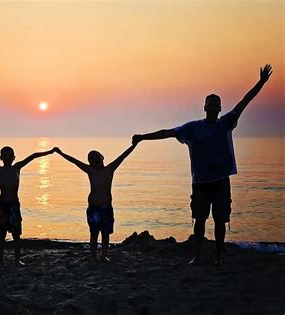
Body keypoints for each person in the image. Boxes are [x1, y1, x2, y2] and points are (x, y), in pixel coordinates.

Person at [132, 65, 273, 264]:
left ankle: (218, 257)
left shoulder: (226, 123)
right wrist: (143, 137)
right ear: (205, 107)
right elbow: (168, 132)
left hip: (221, 182)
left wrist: (261, 82)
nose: (213, 108)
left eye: (217, 105)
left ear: (220, 108)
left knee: (220, 221)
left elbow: (245, 101)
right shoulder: (193, 128)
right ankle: (197, 256)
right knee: (199, 220)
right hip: (200, 184)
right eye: (210, 105)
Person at [54, 144, 137, 262]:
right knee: (94, 234)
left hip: (106, 208)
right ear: (90, 163)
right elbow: (75, 161)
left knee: (105, 233)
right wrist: (61, 153)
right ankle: (93, 257)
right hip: (94, 209)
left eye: (96, 156)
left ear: (102, 157)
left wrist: (135, 144)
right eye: (91, 159)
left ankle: (104, 256)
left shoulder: (110, 169)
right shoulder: (90, 170)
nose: (94, 159)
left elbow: (123, 156)